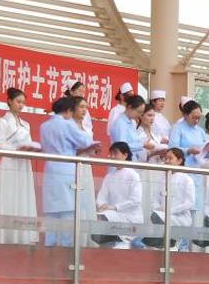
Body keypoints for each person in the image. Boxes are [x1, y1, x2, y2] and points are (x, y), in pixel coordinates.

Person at [40, 97, 99, 247]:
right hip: (66, 169)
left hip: (50, 170)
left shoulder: (44, 126)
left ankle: (49, 248)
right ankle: (66, 251)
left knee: (52, 212)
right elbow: (85, 141)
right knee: (68, 211)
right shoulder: (67, 124)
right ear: (69, 110)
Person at [0, 88, 39, 245]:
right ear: (9, 101)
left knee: (23, 194)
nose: (21, 105)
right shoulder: (2, 121)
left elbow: (29, 142)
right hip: (10, 161)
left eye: (23, 102)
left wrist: (30, 148)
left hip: (23, 163)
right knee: (8, 195)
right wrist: (16, 149)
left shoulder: (26, 124)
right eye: (18, 101)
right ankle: (4, 235)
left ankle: (24, 235)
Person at [168, 99, 207, 250]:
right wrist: (188, 150)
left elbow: (205, 148)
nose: (196, 120)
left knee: (193, 212)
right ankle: (178, 246)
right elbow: (172, 148)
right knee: (181, 210)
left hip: (197, 174)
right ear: (185, 115)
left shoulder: (200, 131)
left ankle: (186, 248)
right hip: (182, 174)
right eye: (193, 117)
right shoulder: (177, 128)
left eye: (199, 118)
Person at [91, 142, 144, 249]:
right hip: (112, 215)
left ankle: (118, 238)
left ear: (125, 155)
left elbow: (136, 200)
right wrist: (102, 205)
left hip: (130, 217)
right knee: (101, 216)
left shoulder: (133, 175)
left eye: (115, 153)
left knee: (106, 217)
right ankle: (110, 236)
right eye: (111, 154)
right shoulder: (109, 176)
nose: (112, 156)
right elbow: (101, 197)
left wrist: (115, 207)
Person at [141, 148, 196, 250]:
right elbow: (155, 199)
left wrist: (169, 210)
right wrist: (157, 208)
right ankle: (164, 240)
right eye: (165, 158)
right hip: (162, 215)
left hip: (179, 218)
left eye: (170, 158)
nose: (166, 161)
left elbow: (190, 203)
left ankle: (166, 241)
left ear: (179, 161)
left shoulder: (187, 179)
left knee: (158, 217)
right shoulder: (161, 178)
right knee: (154, 215)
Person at [136, 104, 168, 236]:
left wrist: (162, 154)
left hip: (157, 173)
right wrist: (152, 153)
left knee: (156, 202)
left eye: (153, 116)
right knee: (146, 201)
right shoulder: (137, 134)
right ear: (141, 116)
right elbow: (138, 156)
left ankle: (155, 237)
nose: (152, 118)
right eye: (149, 115)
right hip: (145, 172)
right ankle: (143, 237)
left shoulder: (156, 135)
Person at [71, 96, 98, 246]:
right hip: (74, 166)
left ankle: (86, 237)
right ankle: (73, 237)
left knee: (86, 198)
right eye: (81, 107)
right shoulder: (69, 126)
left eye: (85, 107)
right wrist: (84, 149)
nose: (84, 110)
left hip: (86, 165)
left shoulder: (86, 128)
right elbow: (68, 149)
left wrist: (94, 149)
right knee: (75, 199)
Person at [110, 95, 154, 162]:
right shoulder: (120, 123)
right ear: (129, 107)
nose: (140, 115)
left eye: (142, 113)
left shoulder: (131, 122)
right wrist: (142, 145)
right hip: (122, 163)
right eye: (139, 112)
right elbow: (122, 147)